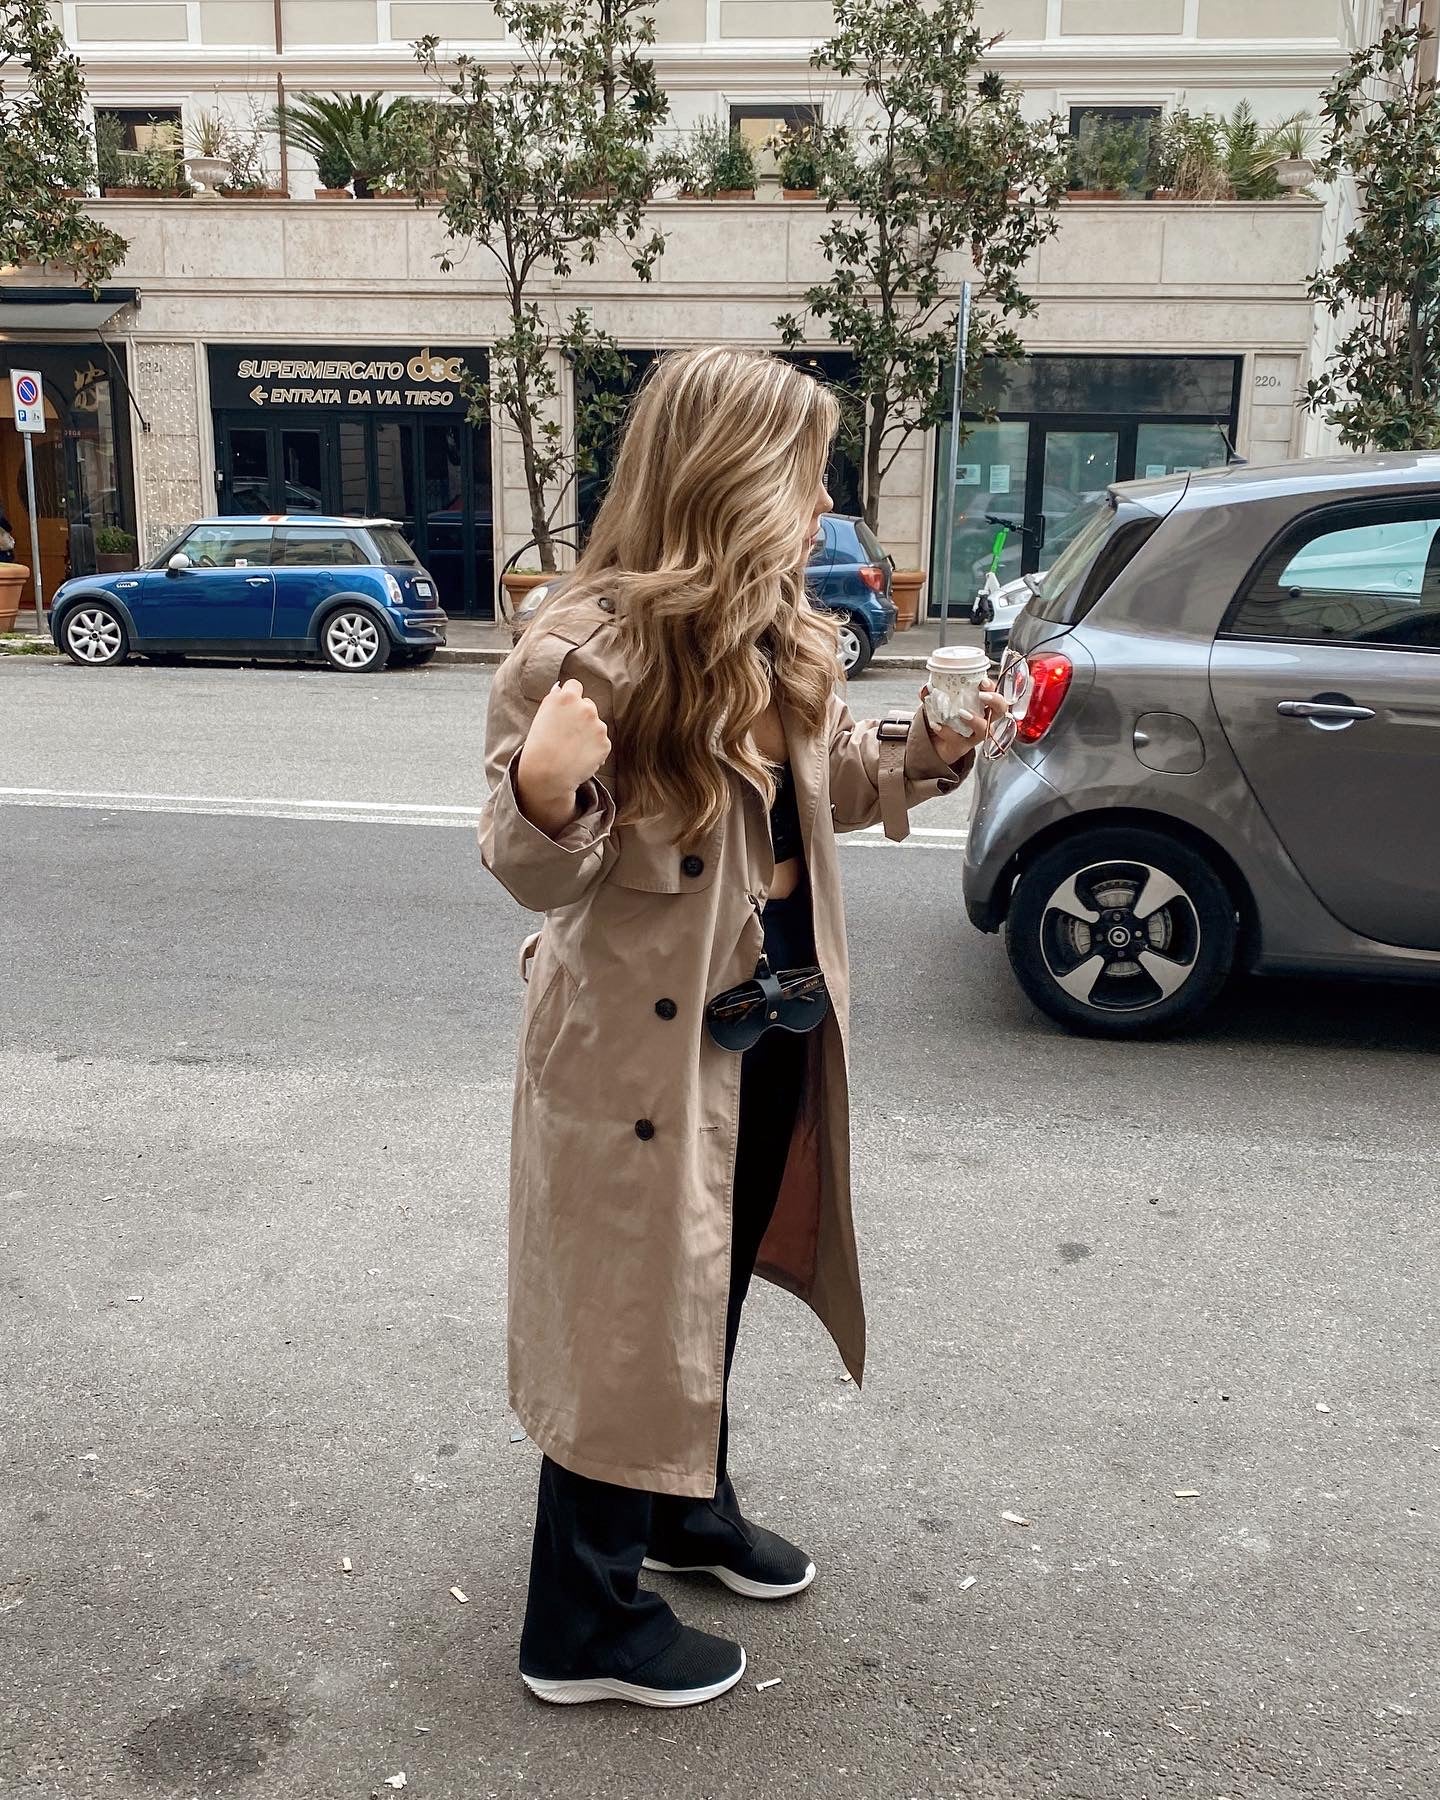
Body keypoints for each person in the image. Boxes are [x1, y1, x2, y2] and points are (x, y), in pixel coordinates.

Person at [479, 346, 1004, 1710]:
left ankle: (682, 1508)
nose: (824, 497)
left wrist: (938, 751)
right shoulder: (579, 651)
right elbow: (536, 867)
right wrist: (544, 793)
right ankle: (578, 1629)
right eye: (806, 467)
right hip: (634, 1052)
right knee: (623, 1314)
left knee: (700, 1283)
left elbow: (821, 776)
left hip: (766, 1016)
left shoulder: (780, 631)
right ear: (730, 477)